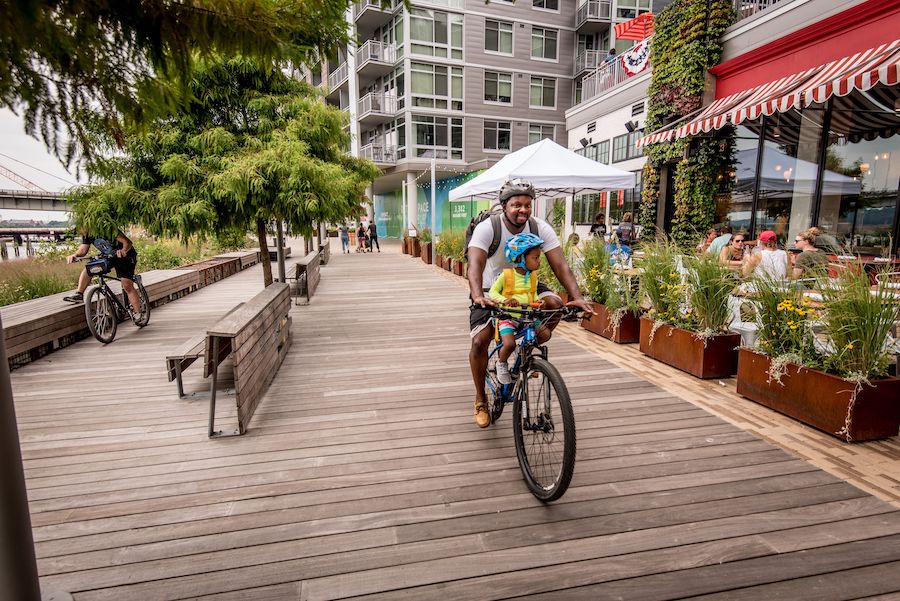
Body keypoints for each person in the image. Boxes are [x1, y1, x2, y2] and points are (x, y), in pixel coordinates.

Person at [468, 178, 593, 428]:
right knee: (481, 340)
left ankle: (525, 353)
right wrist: (477, 295)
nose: (523, 210)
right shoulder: (488, 228)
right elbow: (475, 265)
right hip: (493, 288)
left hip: (528, 285)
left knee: (556, 304)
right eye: (516, 205)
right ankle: (481, 399)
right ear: (504, 205)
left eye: (527, 205)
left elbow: (560, 265)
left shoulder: (539, 227)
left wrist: (577, 297)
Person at [487, 233, 544, 385]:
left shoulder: (532, 277)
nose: (539, 261)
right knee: (509, 344)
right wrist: (505, 300)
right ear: (520, 258)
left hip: (527, 317)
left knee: (545, 333)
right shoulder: (506, 275)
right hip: (508, 318)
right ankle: (501, 363)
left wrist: (538, 301)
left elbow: (533, 294)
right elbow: (492, 292)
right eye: (535, 258)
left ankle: (525, 356)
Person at [63, 230, 142, 317]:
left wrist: (124, 250)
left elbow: (127, 242)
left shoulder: (106, 228)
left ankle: (138, 313)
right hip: (109, 256)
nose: (80, 230)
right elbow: (83, 249)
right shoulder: (87, 233)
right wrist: (75, 255)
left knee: (127, 285)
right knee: (89, 269)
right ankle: (79, 294)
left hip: (125, 256)